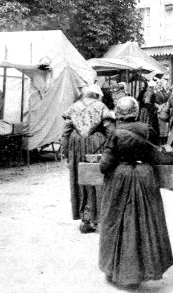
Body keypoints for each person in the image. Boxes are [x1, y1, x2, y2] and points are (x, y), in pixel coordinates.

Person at [98, 97, 173, 288]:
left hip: (121, 178)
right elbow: (155, 154)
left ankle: (119, 270)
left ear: (118, 112)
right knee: (147, 220)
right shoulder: (147, 129)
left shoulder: (115, 133)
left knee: (116, 220)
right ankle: (147, 269)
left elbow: (105, 165)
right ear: (136, 111)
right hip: (145, 176)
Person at [61, 84, 114, 233]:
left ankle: (85, 218)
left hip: (76, 145)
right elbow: (110, 131)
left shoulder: (74, 107)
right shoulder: (101, 107)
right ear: (97, 95)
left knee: (79, 180)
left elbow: (65, 133)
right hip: (96, 143)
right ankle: (96, 218)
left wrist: (66, 153)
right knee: (97, 179)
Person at [154, 79, 171, 145]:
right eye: (159, 85)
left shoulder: (163, 92)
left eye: (161, 85)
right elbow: (154, 102)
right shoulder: (155, 93)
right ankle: (161, 139)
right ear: (156, 85)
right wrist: (159, 107)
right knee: (161, 125)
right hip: (159, 111)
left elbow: (167, 99)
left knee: (164, 126)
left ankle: (164, 139)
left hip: (164, 110)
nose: (160, 86)